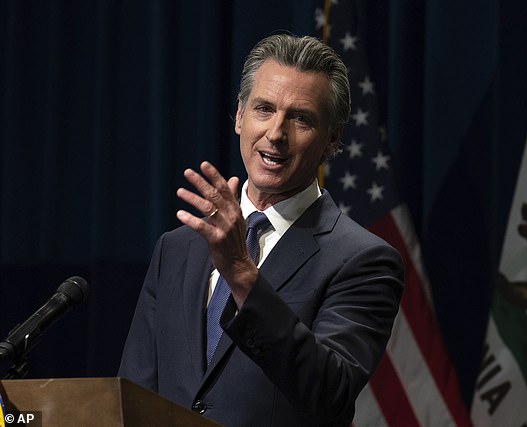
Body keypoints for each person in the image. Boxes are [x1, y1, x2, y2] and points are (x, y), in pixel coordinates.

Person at [118, 34, 403, 426]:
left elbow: (329, 393)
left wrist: (240, 273)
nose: (276, 133)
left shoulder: (364, 260)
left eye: (301, 118)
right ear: (239, 115)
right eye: (264, 109)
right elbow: (135, 392)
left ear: (332, 139)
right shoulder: (177, 248)